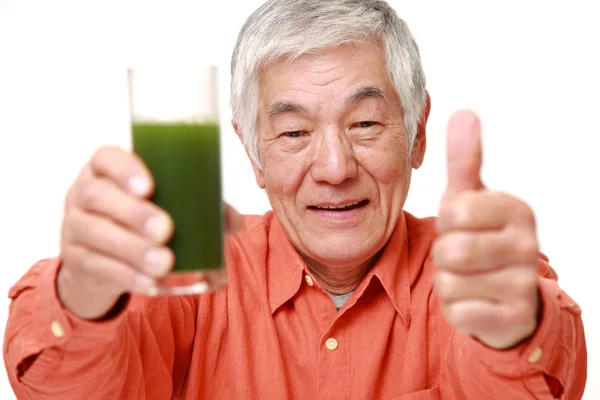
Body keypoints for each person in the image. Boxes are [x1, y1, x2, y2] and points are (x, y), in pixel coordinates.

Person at [3, 0, 587, 398]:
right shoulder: (190, 278)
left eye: (364, 122)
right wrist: (83, 295)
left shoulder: (473, 273)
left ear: (418, 132)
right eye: (293, 133)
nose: (334, 168)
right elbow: (71, 387)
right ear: (253, 151)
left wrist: (513, 330)